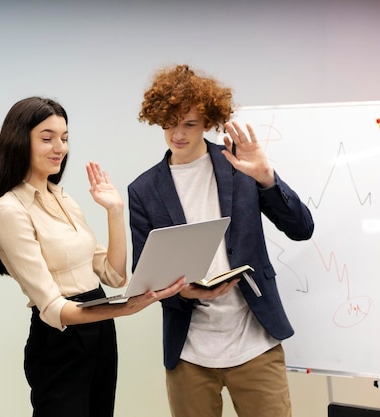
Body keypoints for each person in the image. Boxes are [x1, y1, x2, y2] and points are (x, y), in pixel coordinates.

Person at [0, 96, 185, 417]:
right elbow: (54, 309)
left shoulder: (64, 197)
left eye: (65, 138)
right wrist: (124, 309)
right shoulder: (9, 209)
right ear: (19, 141)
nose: (60, 147)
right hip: (61, 339)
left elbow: (113, 276)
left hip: (99, 330)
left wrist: (115, 211)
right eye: (47, 138)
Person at [128, 64, 315, 417]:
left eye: (190, 124)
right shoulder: (143, 190)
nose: (177, 134)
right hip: (189, 353)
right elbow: (145, 274)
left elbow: (301, 228)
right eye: (169, 122)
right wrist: (184, 290)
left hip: (256, 343)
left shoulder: (240, 167)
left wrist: (265, 177)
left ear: (208, 122)